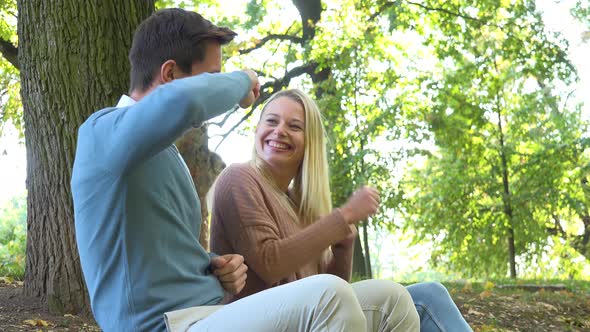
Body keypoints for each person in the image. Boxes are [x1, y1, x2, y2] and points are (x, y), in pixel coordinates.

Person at [71, 8, 417, 332]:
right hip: (163, 325)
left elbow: (155, 253)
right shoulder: (102, 134)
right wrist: (242, 81)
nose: (215, 87)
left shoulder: (164, 155)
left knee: (392, 300)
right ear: (171, 74)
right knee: (328, 295)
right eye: (211, 77)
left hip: (208, 313)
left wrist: (214, 266)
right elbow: (185, 100)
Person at [210, 88, 473, 332]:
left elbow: (337, 301)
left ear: (310, 142)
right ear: (257, 130)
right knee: (392, 297)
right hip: (256, 320)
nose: (279, 131)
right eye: (271, 121)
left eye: (294, 126)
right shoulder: (239, 178)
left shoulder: (298, 206)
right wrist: (344, 215)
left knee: (428, 296)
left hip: (304, 316)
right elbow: (270, 262)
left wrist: (343, 247)